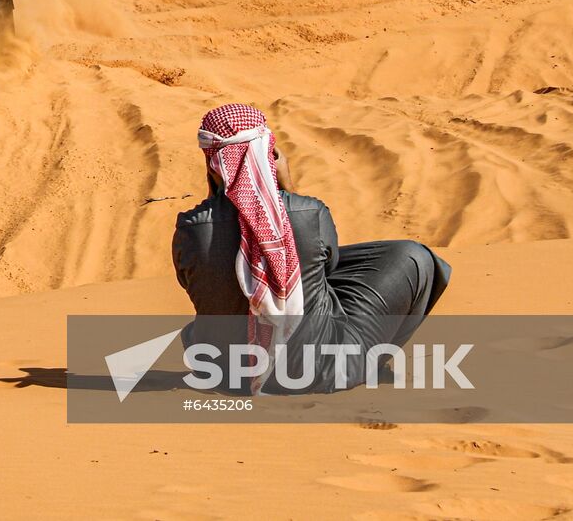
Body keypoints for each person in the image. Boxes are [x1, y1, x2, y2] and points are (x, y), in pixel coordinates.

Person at [171, 103, 450, 394]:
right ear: (270, 153)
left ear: (212, 162)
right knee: (415, 258)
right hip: (316, 372)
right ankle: (370, 361)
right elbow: (327, 269)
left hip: (223, 372)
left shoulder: (189, 229)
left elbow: (194, 283)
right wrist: (287, 187)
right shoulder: (309, 213)